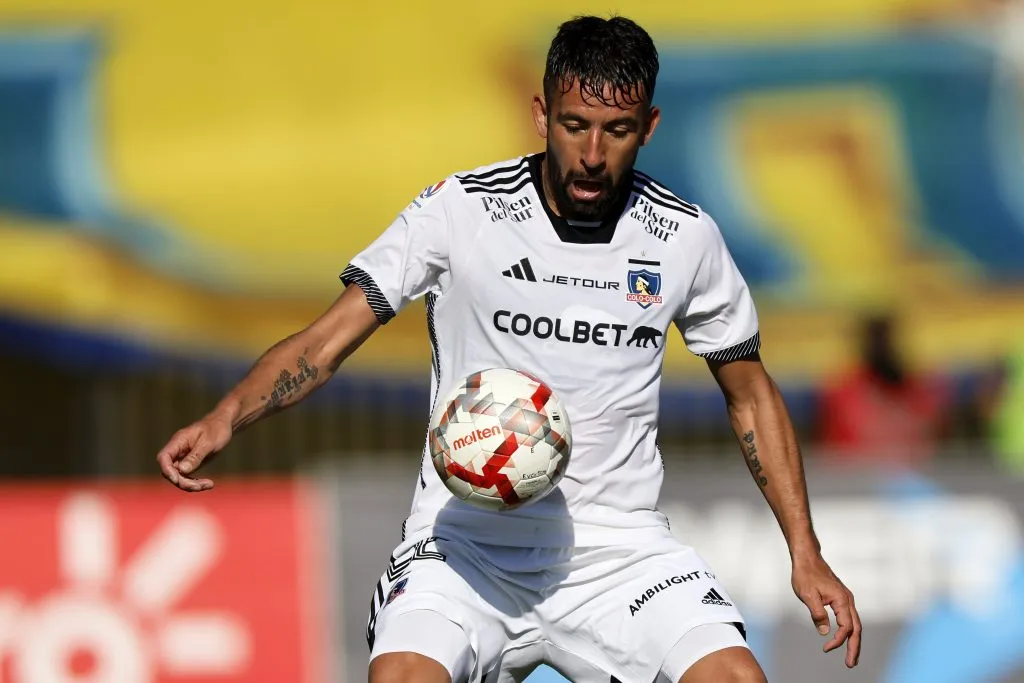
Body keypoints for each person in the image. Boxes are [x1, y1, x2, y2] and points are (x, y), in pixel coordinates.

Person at [156, 15, 861, 683]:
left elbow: (751, 393)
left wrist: (806, 550)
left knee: (736, 676)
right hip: (465, 545)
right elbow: (325, 341)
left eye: (616, 131)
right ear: (539, 115)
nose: (591, 154)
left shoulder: (685, 238)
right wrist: (227, 416)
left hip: (616, 550)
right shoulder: (460, 211)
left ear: (648, 127)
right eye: (573, 125)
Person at [818, 313, 950, 467]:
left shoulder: (916, 386)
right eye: (876, 339)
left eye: (884, 339)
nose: (881, 346)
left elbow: (928, 432)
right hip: (854, 476)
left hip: (911, 475)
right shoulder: (843, 389)